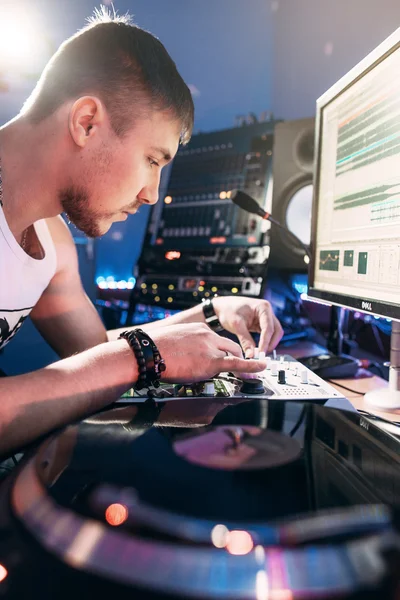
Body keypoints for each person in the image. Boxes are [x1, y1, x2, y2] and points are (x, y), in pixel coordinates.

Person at [0, 9, 283, 457]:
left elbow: (94, 354)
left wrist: (212, 312)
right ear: (86, 121)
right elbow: (116, 362)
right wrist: (138, 357)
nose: (152, 195)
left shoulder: (52, 243)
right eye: (152, 160)